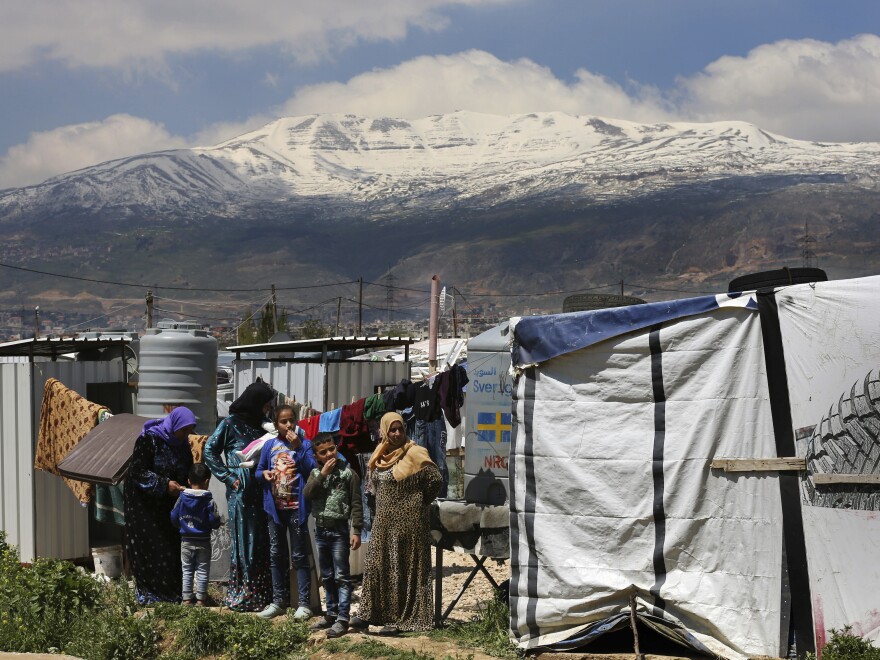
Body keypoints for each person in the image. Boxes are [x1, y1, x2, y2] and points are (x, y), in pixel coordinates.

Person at [351, 412, 441, 634]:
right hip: (383, 522)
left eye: (400, 428)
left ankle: (399, 619)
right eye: (392, 429)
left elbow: (436, 480)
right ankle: (368, 615)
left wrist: (419, 502)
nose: (397, 433)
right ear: (384, 431)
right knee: (376, 566)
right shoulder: (380, 454)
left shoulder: (415, 452)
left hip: (410, 523)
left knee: (400, 568)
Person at [204, 381, 275, 611]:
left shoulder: (262, 426)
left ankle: (262, 594)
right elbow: (209, 450)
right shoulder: (230, 424)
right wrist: (227, 477)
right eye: (265, 406)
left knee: (262, 541)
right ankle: (243, 593)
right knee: (246, 541)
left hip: (262, 491)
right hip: (241, 492)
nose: (266, 410)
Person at [123, 407, 197, 605]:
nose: (186, 435)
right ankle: (150, 595)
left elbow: (186, 468)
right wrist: (164, 484)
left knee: (170, 547)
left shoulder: (182, 444)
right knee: (150, 548)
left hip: (169, 505)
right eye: (184, 430)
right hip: (144, 506)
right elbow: (137, 472)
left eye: (189, 431)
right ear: (174, 425)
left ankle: (172, 595)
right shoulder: (149, 439)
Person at [255, 404, 317, 620]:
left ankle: (304, 604)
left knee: (299, 555)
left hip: (296, 509)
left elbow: (312, 469)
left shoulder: (304, 444)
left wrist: (298, 446)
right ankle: (278, 601)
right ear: (276, 424)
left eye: (292, 420)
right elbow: (259, 470)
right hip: (275, 510)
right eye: (283, 421)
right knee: (275, 554)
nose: (289, 424)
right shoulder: (269, 446)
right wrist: (264, 475)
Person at [304, 433, 363, 638]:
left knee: (342, 576)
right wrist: (322, 475)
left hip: (339, 531)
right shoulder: (314, 473)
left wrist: (356, 530)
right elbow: (307, 493)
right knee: (327, 575)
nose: (329, 454)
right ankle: (331, 613)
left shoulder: (348, 474)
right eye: (323, 452)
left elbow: (356, 504)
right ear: (316, 456)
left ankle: (343, 619)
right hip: (321, 530)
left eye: (332, 449)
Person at [170, 462, 223, 606]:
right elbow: (214, 520)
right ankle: (201, 599)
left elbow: (174, 516)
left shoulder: (182, 498)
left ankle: (186, 599)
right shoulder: (208, 501)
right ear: (207, 481)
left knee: (187, 570)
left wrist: (181, 526)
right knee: (202, 570)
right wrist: (217, 523)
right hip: (204, 541)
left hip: (186, 541)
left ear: (188, 480)